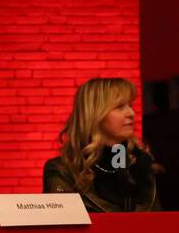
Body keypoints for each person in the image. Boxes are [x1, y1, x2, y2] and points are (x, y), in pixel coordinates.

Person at [42, 77, 160, 212]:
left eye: (130, 105)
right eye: (120, 107)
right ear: (95, 114)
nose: (131, 114)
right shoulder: (63, 170)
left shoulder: (140, 165)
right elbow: (63, 226)